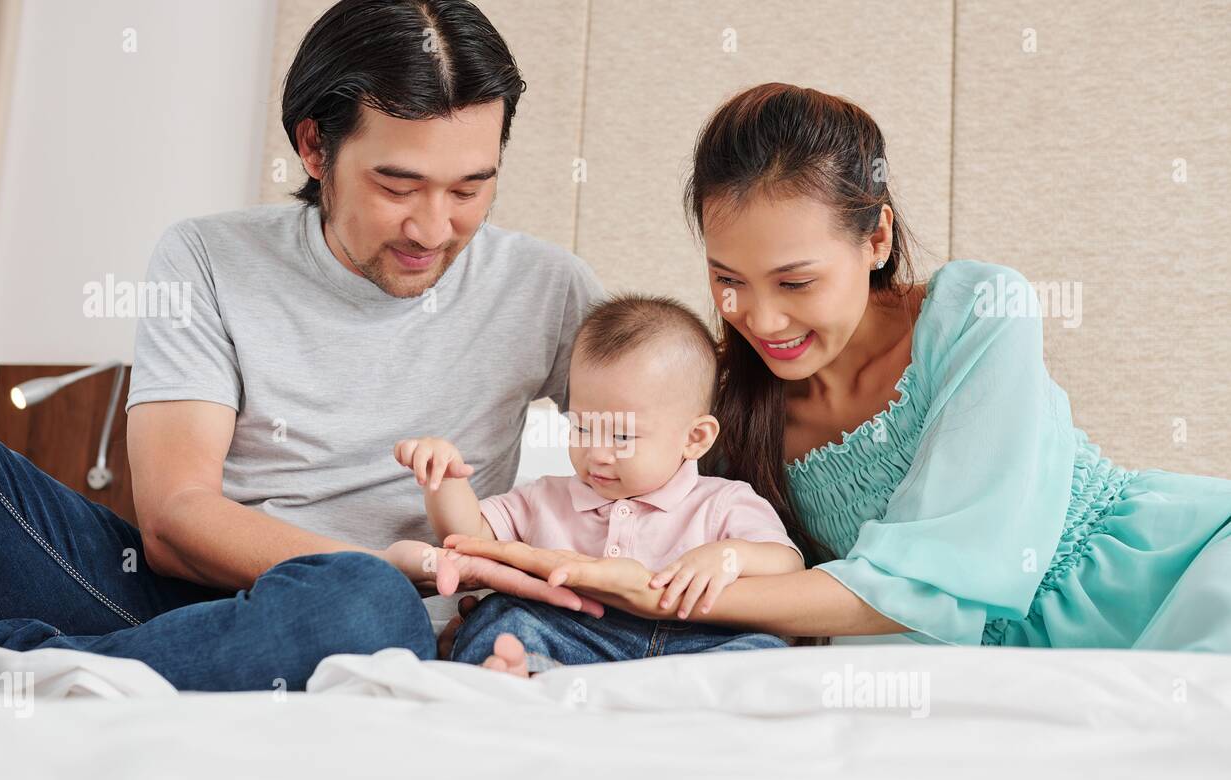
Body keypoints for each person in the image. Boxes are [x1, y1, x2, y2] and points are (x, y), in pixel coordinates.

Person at [0, 0, 607, 691]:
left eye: (470, 189)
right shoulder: (207, 255)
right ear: (315, 147)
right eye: (397, 186)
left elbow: (666, 468)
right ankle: (63, 665)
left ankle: (13, 668)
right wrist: (390, 560)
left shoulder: (547, 289)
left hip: (371, 621)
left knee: (365, 604)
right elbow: (173, 519)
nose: (433, 229)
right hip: (177, 598)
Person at [448, 83, 1231, 653]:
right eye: (729, 281)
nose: (762, 319)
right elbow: (659, 530)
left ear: (876, 239)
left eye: (795, 282)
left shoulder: (979, 314)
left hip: (1160, 578)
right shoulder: (718, 404)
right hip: (934, 664)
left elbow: (936, 581)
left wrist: (667, 596)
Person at [395, 294, 805, 674]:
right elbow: (467, 538)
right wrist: (444, 480)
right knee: (502, 615)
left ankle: (674, 710)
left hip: (695, 640)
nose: (598, 453)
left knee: (763, 650)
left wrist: (730, 557)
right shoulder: (546, 497)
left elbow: (788, 565)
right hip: (575, 634)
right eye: (583, 427)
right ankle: (519, 673)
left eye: (622, 436)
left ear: (694, 438)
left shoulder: (723, 501)